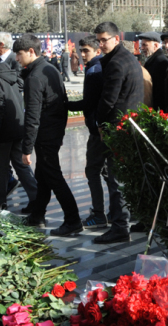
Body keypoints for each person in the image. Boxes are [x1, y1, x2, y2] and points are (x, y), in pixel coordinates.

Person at [14, 35, 81, 236]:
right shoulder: (50, 68)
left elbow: (32, 116)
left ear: (31, 52)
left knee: (53, 176)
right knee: (43, 176)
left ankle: (73, 219)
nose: (17, 58)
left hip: (45, 133)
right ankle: (37, 215)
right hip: (55, 129)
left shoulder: (35, 77)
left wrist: (26, 149)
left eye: (19, 54)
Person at [95, 21, 144, 244]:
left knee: (116, 180)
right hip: (129, 124)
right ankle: (125, 222)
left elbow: (109, 100)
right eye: (99, 40)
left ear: (117, 38)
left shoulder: (116, 62)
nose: (101, 44)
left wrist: (99, 123)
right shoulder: (126, 57)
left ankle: (119, 227)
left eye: (104, 39)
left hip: (119, 127)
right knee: (122, 178)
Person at [0, 46, 38, 212]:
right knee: (21, 166)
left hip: (3, 132)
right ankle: (36, 199)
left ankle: (1, 203)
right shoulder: (11, 75)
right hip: (18, 128)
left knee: (0, 169)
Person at [67, 36, 108, 229]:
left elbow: (89, 102)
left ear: (97, 51)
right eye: (81, 51)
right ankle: (112, 211)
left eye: (86, 51)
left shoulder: (95, 70)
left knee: (92, 170)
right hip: (101, 128)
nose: (83, 55)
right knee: (107, 172)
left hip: (98, 130)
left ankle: (99, 214)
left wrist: (64, 104)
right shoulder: (99, 67)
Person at [139, 32, 168, 110]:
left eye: (145, 45)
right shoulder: (153, 61)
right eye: (141, 45)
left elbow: (160, 91)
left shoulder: (161, 62)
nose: (142, 48)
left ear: (156, 45)